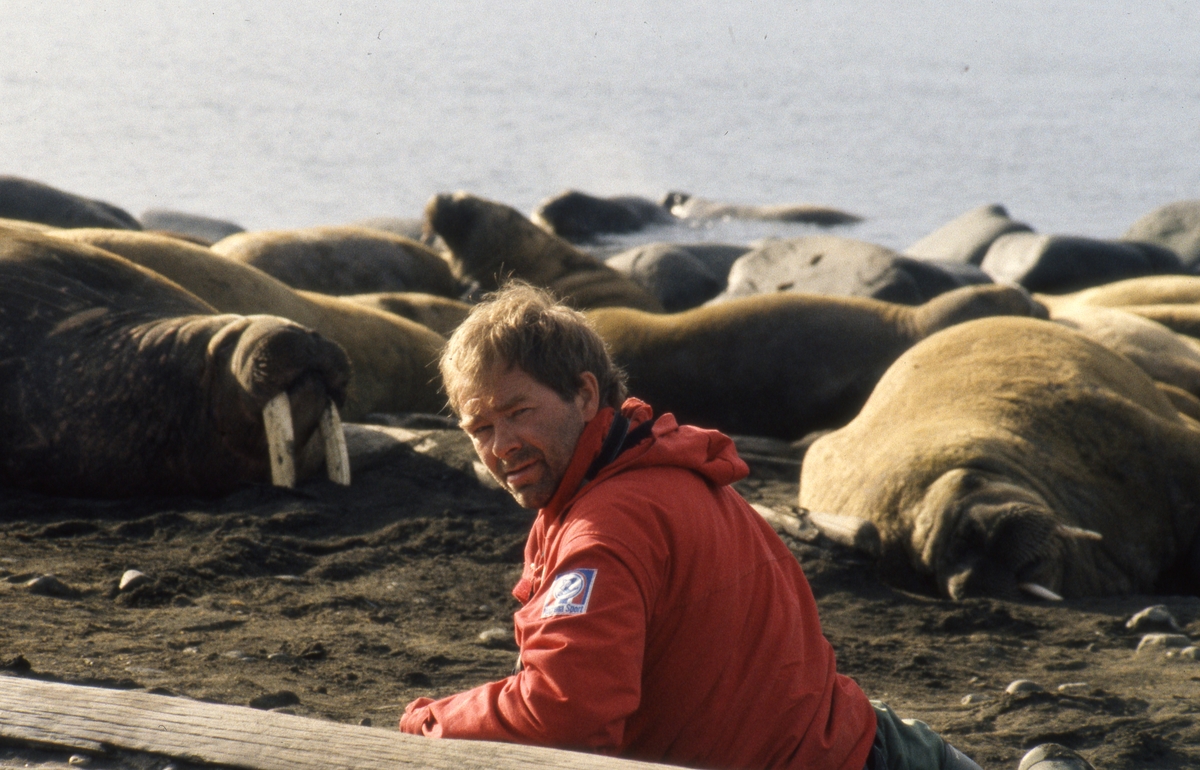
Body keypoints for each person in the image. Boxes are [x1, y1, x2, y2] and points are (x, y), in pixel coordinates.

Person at [398, 283, 1064, 770]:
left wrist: (430, 721)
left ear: (584, 394)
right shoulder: (664, 470)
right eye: (480, 428)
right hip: (869, 743)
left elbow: (567, 718)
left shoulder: (606, 529)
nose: (500, 444)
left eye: (517, 412)